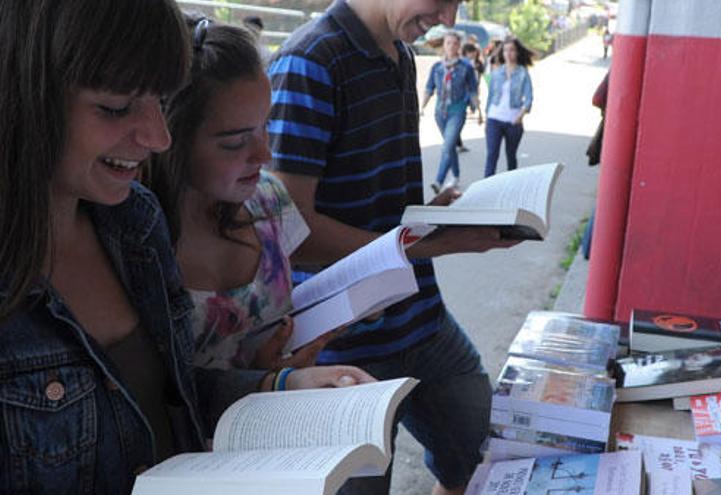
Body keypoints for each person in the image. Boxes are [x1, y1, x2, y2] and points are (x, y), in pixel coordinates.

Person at [0, 3, 368, 493]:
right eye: (116, 107)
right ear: (21, 93)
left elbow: (166, 393)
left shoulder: (135, 219)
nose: (159, 137)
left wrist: (274, 387)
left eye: (160, 99)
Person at [266, 1, 520, 493]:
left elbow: (377, 200)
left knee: (483, 455)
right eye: (442, 1)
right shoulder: (309, 62)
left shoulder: (399, 52)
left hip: (421, 319)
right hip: (339, 346)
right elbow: (287, 234)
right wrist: (425, 246)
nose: (448, 19)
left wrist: (434, 215)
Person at [147, 17, 369, 378]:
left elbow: (282, 299)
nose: (264, 155)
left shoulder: (269, 197)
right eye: (235, 141)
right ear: (166, 137)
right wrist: (260, 381)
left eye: (265, 125)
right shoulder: (126, 239)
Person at [421, 31, 479, 193]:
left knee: (447, 145)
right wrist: (422, 107)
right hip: (440, 112)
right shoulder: (437, 67)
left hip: (458, 110)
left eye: (455, 43)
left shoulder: (466, 67)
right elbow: (429, 88)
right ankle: (456, 175)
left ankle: (438, 181)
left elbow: (473, 90)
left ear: (459, 46)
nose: (451, 46)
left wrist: (479, 111)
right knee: (450, 145)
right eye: (448, 43)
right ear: (444, 46)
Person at [483, 36, 534, 177]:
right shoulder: (496, 72)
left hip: (513, 121)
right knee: (492, 155)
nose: (508, 53)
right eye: (505, 50)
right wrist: (487, 117)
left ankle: (511, 188)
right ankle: (485, 189)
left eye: (512, 50)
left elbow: (529, 98)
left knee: (511, 156)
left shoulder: (523, 73)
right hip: (494, 119)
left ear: (517, 52)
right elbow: (491, 95)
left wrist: (521, 115)